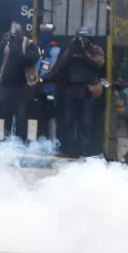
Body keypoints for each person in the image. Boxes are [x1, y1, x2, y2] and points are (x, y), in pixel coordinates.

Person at [44, 26, 105, 157]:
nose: (82, 41)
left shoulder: (95, 49)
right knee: (68, 123)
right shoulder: (71, 49)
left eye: (85, 38)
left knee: (86, 123)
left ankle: (84, 152)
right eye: (79, 38)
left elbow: (98, 64)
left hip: (87, 92)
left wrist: (84, 53)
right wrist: (72, 49)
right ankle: (68, 150)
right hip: (71, 92)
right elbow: (60, 66)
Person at [0, 21, 41, 140]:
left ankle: (20, 143)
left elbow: (31, 60)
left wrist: (16, 50)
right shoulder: (7, 44)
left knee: (21, 117)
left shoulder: (29, 44)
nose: (14, 37)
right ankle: (7, 142)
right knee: (6, 116)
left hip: (22, 87)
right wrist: (3, 42)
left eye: (16, 35)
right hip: (7, 87)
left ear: (22, 34)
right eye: (12, 35)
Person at [36, 23, 61, 140]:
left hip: (50, 88)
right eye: (42, 33)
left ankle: (52, 142)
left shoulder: (56, 51)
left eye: (46, 33)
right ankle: (39, 140)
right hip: (37, 88)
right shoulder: (37, 49)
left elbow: (57, 70)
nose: (44, 36)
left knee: (51, 115)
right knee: (38, 115)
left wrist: (43, 79)